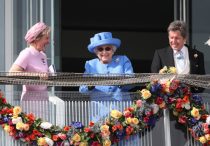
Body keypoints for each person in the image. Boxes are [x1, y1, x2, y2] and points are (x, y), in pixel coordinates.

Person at [79, 32, 134, 122]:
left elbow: (132, 80)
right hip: (99, 112)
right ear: (96, 52)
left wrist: (122, 83)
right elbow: (82, 89)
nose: (104, 52)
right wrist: (90, 86)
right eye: (100, 49)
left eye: (107, 48)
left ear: (113, 50)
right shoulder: (91, 64)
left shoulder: (123, 60)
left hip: (121, 109)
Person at [151, 20, 205, 92]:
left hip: (190, 99)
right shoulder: (160, 54)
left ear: (184, 38)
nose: (173, 41)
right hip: (168, 99)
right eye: (171, 37)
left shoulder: (197, 55)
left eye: (177, 38)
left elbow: (202, 81)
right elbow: (154, 79)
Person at [9, 22, 50, 101]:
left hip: (44, 102)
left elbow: (42, 80)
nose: (48, 41)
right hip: (30, 103)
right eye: (46, 38)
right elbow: (12, 73)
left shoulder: (43, 55)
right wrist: (37, 75)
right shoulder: (27, 53)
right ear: (37, 38)